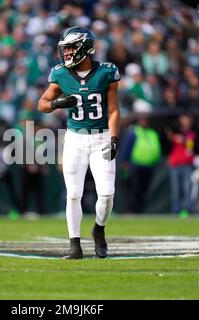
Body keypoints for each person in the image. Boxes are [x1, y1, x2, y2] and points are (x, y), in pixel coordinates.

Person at [38, 26, 121, 259]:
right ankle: (74, 245)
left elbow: (114, 109)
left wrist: (114, 138)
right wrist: (57, 104)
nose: (66, 53)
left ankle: (99, 230)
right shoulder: (61, 74)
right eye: (64, 49)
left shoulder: (107, 72)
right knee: (73, 193)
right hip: (74, 138)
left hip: (102, 136)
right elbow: (42, 103)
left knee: (106, 194)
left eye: (71, 48)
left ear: (85, 48)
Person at [119, 115, 161, 213]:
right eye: (142, 120)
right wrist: (124, 161)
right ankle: (131, 209)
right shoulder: (134, 132)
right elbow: (127, 147)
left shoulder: (152, 133)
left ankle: (140, 210)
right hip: (136, 165)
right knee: (134, 189)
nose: (144, 122)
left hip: (149, 165)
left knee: (144, 189)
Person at [166, 114, 196, 215]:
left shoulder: (192, 134)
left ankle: (188, 209)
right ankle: (176, 210)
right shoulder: (174, 133)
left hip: (187, 165)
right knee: (176, 189)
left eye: (186, 121)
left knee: (187, 188)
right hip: (174, 165)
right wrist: (172, 136)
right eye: (183, 121)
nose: (184, 123)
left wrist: (183, 139)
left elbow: (192, 147)